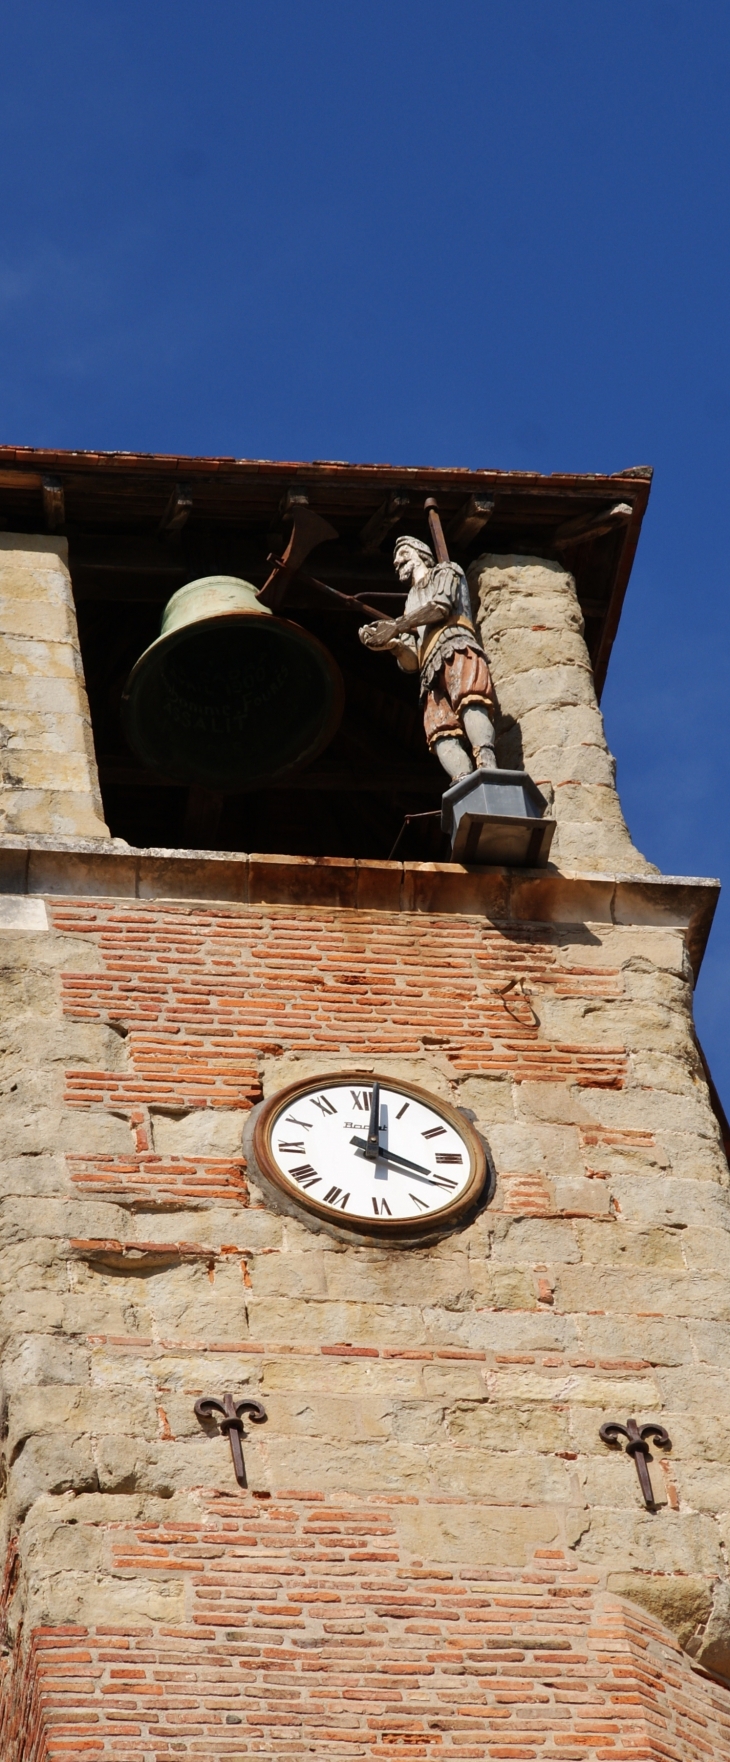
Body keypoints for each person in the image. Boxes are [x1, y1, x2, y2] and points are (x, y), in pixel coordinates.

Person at [359, 535, 497, 783]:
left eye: (402, 553)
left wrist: (395, 626)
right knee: (441, 731)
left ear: (421, 552)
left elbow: (440, 608)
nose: (397, 562)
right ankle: (463, 781)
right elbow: (411, 662)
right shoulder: (410, 602)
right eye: (395, 559)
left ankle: (487, 763)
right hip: (428, 672)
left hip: (455, 646)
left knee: (469, 701)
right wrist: (393, 645)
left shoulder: (445, 571)